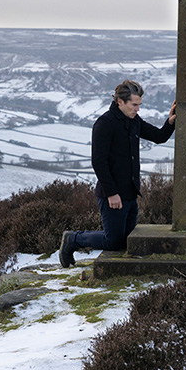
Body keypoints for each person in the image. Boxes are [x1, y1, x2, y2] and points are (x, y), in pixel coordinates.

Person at [59, 79, 176, 267]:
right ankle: (72, 239)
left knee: (126, 242)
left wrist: (170, 122)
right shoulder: (104, 123)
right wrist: (112, 193)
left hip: (130, 193)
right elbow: (98, 162)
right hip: (112, 195)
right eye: (134, 105)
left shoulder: (134, 120)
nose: (138, 109)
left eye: (139, 105)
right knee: (112, 242)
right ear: (120, 102)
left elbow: (158, 137)